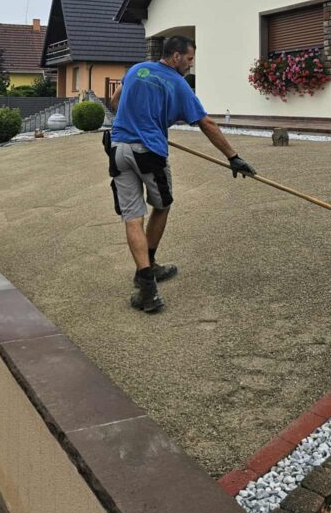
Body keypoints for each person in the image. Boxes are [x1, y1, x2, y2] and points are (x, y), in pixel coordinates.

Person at [107, 35, 256, 313]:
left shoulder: (136, 69)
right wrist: (233, 157)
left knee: (132, 218)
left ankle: (147, 283)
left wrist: (135, 117)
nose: (190, 65)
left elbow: (115, 101)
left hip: (118, 149)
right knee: (162, 206)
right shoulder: (177, 83)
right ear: (176, 56)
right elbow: (206, 123)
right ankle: (148, 273)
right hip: (149, 152)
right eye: (189, 59)